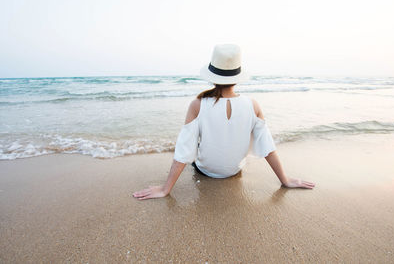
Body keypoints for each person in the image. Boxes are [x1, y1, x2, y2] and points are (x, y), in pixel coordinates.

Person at [133, 44, 315, 200]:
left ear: (212, 75)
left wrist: (166, 189)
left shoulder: (198, 104)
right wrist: (285, 179)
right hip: (233, 171)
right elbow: (267, 147)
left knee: (196, 146)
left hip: (206, 171)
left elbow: (184, 148)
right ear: (237, 76)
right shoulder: (253, 104)